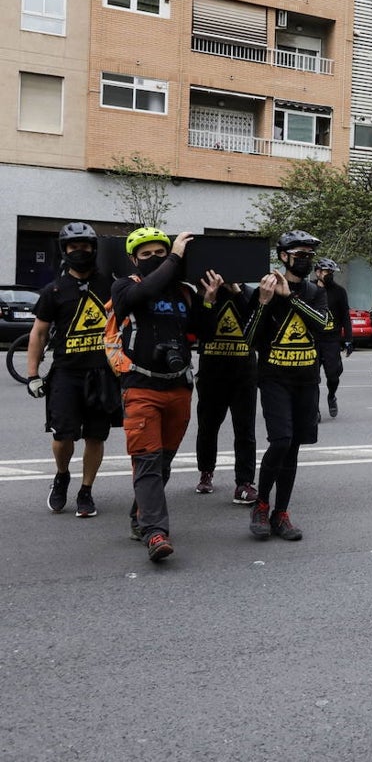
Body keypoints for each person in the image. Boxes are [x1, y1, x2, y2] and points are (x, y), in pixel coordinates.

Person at [111, 227, 206, 562]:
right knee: (148, 461)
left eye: (160, 253)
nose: (154, 259)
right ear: (134, 259)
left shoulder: (185, 293)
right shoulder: (125, 287)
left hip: (179, 386)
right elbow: (142, 294)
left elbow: (201, 332)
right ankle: (155, 533)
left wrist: (209, 299)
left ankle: (141, 513)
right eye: (146, 254)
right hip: (141, 387)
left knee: (162, 461)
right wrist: (176, 257)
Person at [27, 222, 121, 517]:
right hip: (66, 373)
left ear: (94, 249)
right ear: (65, 251)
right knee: (62, 436)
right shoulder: (53, 290)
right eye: (73, 247)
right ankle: (62, 475)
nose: (80, 251)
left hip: (103, 375)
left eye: (85, 246)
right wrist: (32, 375)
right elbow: (38, 334)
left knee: (96, 436)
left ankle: (86, 491)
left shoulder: (110, 284)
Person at [243, 230, 329, 542]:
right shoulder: (262, 289)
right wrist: (265, 303)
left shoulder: (314, 291)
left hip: (306, 381)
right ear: (283, 256)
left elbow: (321, 324)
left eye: (309, 254)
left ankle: (282, 513)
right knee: (280, 441)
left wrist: (290, 298)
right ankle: (261, 504)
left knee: (293, 449)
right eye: (299, 254)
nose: (305, 259)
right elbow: (250, 340)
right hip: (274, 379)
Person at [192, 274, 259, 502]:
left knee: (245, 430)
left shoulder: (250, 293)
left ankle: (244, 483)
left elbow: (254, 325)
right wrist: (209, 299)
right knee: (207, 427)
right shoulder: (205, 292)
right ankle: (206, 471)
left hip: (244, 375)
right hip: (212, 373)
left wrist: (237, 291)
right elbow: (200, 332)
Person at [314, 258, 352, 418]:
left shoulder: (339, 291)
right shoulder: (309, 289)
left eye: (331, 272)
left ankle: (331, 396)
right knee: (312, 378)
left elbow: (345, 316)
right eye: (326, 272)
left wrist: (349, 339)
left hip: (332, 340)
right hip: (313, 340)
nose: (329, 275)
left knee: (333, 375)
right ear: (318, 272)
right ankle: (314, 409)